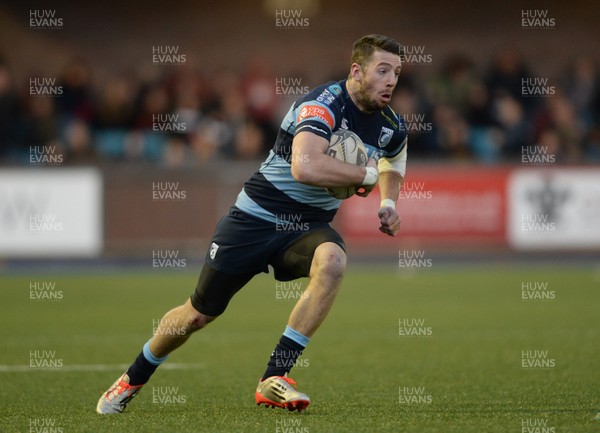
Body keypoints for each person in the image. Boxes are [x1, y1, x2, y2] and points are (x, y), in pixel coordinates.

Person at [96, 34, 408, 414]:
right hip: (255, 218)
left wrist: (388, 200)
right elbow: (305, 166)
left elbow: (394, 159)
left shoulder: (391, 123)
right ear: (356, 71)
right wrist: (364, 175)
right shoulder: (322, 105)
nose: (391, 80)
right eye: (382, 70)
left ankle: (275, 377)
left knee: (334, 261)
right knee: (198, 314)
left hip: (307, 226)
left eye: (396, 72)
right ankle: (132, 378)